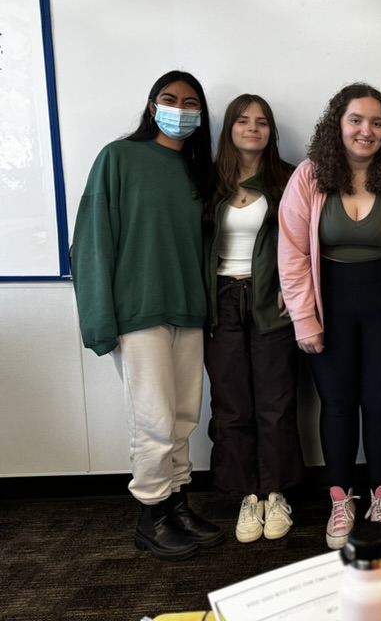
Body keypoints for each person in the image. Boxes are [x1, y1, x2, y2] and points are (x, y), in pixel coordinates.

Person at [71, 70, 222, 560]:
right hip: (138, 312)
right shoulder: (118, 158)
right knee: (153, 419)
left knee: (183, 418)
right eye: (169, 99)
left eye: (190, 103)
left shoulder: (199, 173)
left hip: (188, 310)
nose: (180, 109)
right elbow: (91, 240)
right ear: (153, 106)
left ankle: (178, 504)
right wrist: (99, 320)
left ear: (201, 115)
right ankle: (152, 516)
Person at [278, 82, 381, 550]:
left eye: (377, 123)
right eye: (356, 120)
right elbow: (292, 255)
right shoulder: (309, 177)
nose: (366, 130)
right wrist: (304, 320)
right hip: (330, 309)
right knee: (337, 404)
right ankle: (341, 499)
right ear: (338, 124)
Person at [204, 94, 304, 544]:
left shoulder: (288, 178)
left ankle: (276, 493)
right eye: (243, 121)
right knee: (232, 405)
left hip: (270, 300)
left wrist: (292, 284)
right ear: (229, 128)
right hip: (222, 300)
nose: (252, 128)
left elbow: (305, 238)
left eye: (262, 122)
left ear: (271, 131)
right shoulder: (209, 180)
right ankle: (247, 495)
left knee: (276, 401)